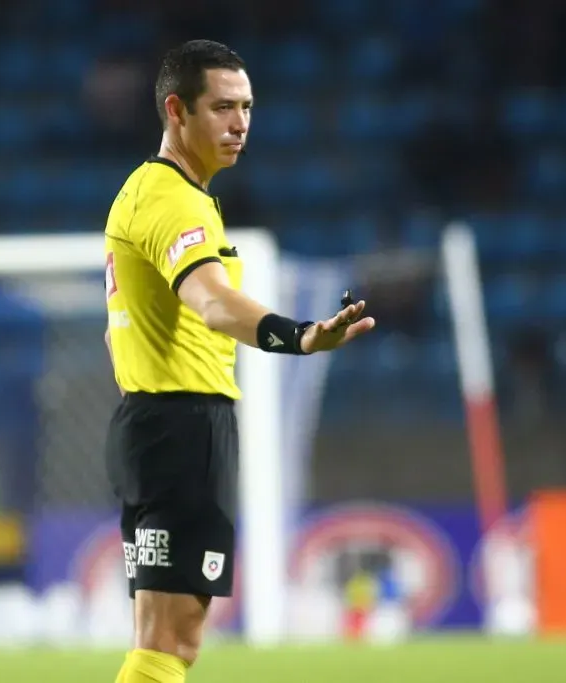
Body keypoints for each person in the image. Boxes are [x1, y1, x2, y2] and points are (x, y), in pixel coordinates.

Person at [102, 39, 375, 682]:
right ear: (177, 110)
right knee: (170, 642)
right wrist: (299, 337)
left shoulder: (155, 194)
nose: (240, 123)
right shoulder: (172, 200)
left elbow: (126, 331)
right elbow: (212, 302)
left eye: (247, 107)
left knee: (164, 639)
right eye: (222, 107)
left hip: (156, 425)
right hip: (180, 429)